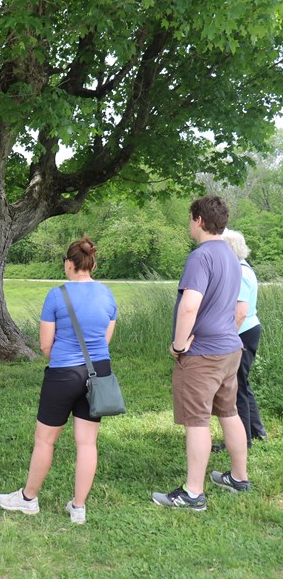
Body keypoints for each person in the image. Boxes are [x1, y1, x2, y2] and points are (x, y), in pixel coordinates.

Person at [0, 237, 117, 524]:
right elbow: (105, 339)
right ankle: (78, 507)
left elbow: (45, 345)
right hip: (98, 373)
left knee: (45, 440)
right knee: (87, 443)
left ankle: (28, 498)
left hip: (63, 373)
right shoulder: (107, 294)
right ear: (93, 265)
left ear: (69, 264)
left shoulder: (56, 295)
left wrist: (63, 358)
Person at [153, 196, 250, 512]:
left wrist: (179, 345)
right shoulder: (232, 258)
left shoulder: (200, 257)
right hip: (229, 350)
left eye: (190, 217)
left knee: (197, 422)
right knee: (229, 412)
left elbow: (190, 305)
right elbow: (236, 307)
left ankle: (193, 494)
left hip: (203, 354)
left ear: (198, 219)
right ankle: (238, 477)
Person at [211, 229, 267, 451]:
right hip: (247, 330)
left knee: (236, 388)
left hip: (242, 332)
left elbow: (240, 312)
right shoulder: (244, 268)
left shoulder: (240, 273)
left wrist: (227, 337)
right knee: (243, 383)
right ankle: (257, 430)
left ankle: (242, 440)